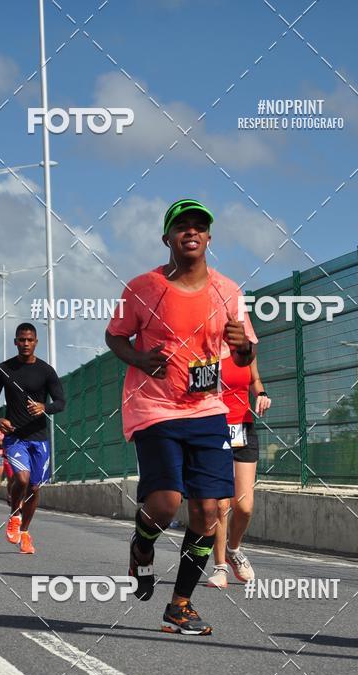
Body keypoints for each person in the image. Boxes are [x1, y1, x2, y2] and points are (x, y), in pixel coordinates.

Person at [106, 198, 257, 635]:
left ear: (209, 237)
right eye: (181, 226)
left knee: (209, 511)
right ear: (167, 238)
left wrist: (241, 345)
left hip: (207, 408)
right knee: (165, 503)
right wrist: (138, 355)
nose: (191, 232)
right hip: (153, 407)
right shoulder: (142, 288)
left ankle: (180, 605)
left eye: (199, 226)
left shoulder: (227, 292)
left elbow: (245, 353)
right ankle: (143, 543)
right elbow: (114, 335)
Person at [0, 323, 66, 554]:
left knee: (34, 487)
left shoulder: (46, 371)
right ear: (15, 342)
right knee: (22, 479)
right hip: (15, 436)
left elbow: (61, 402)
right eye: (21, 340)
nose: (25, 343)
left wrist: (45, 407)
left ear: (36, 342)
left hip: (39, 437)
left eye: (29, 340)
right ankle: (14, 516)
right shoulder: (3, 369)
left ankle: (24, 531)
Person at [207, 356, 271, 588]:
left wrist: (261, 395)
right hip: (212, 429)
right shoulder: (204, 347)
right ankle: (219, 567)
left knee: (244, 506)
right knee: (221, 505)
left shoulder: (246, 347)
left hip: (243, 429)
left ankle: (233, 550)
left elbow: (255, 380)